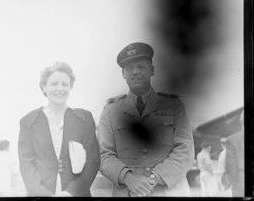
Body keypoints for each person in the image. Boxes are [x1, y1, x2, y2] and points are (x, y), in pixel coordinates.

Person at [98, 42, 194, 197]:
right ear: (123, 73)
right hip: (128, 192)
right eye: (129, 68)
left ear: (152, 70)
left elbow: (185, 151)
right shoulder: (110, 110)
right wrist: (128, 178)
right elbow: (104, 155)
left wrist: (153, 179)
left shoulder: (173, 105)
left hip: (169, 191)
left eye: (141, 67)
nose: (135, 72)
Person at [18, 62, 100, 197]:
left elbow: (93, 160)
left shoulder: (84, 118)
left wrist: (71, 192)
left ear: (70, 87)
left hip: (76, 194)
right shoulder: (28, 122)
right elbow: (26, 164)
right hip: (40, 195)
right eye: (54, 84)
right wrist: (43, 195)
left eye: (65, 84)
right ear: (44, 87)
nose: (60, 88)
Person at [225, 110, 244, 197]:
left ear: (240, 120)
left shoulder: (232, 140)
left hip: (241, 183)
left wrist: (232, 182)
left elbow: (231, 165)